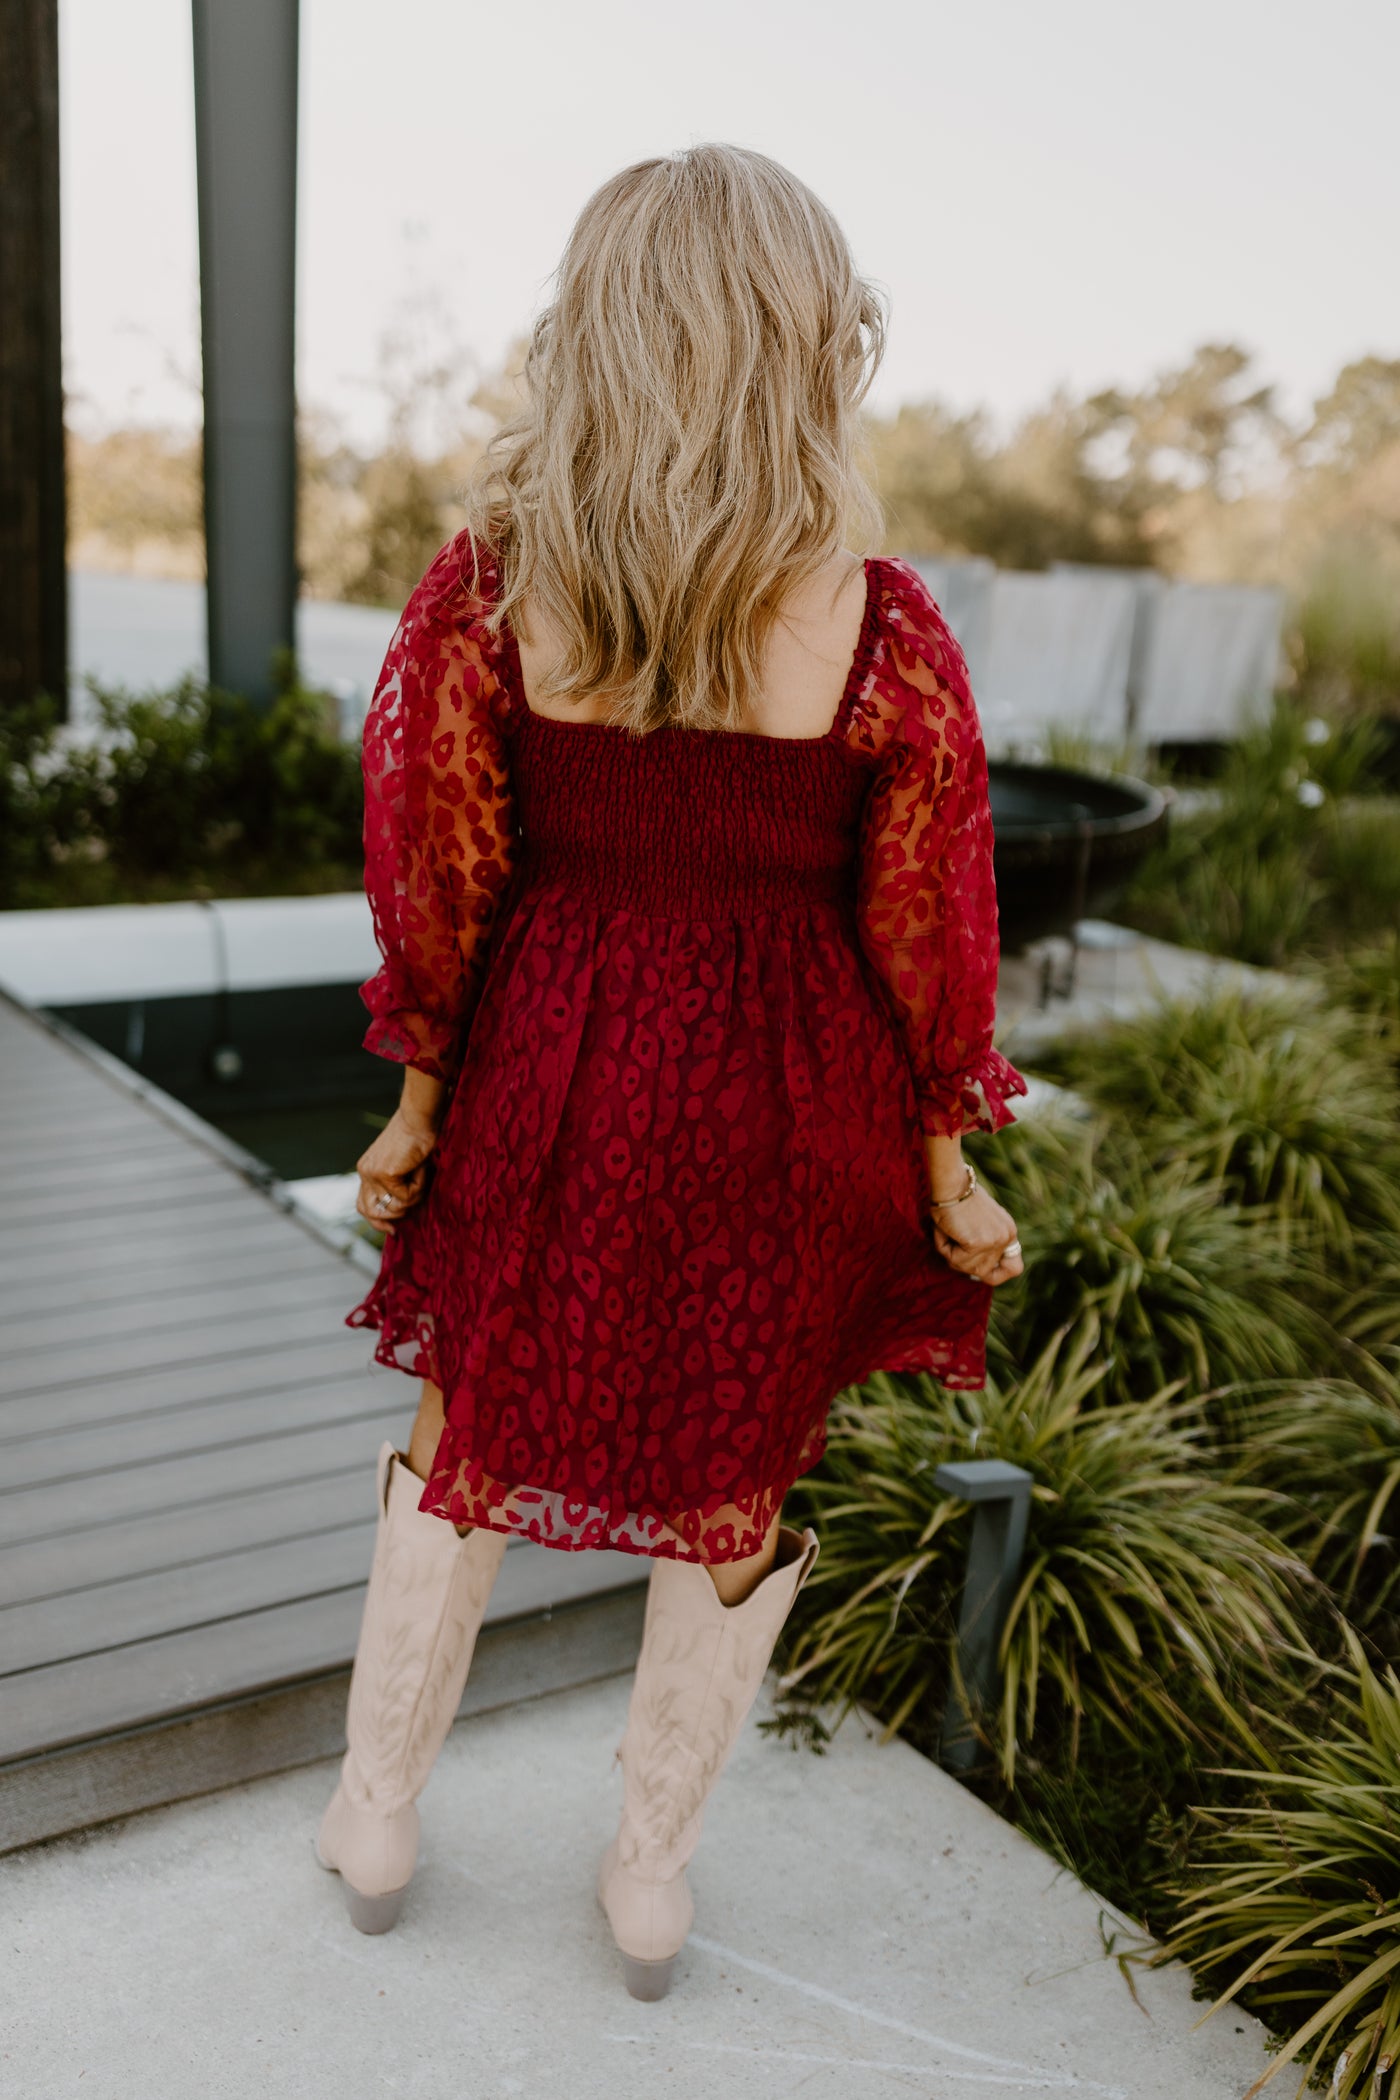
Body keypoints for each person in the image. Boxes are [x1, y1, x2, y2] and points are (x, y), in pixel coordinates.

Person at [314, 142, 1028, 2000]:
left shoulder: (501, 585)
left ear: (602, 333)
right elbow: (928, 911)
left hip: (561, 1059)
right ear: (807, 346)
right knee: (737, 1470)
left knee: (466, 1422)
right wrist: (947, 1155)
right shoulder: (874, 614)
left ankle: (376, 1812)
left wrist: (414, 1107)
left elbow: (438, 864)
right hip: (791, 1099)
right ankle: (647, 1879)